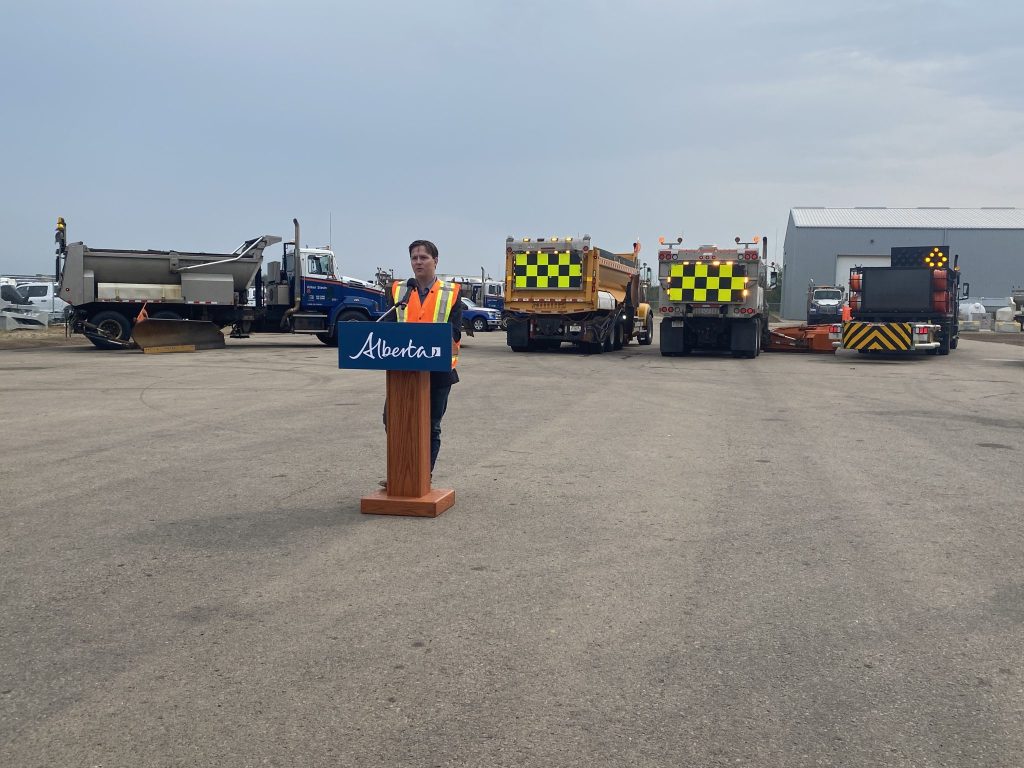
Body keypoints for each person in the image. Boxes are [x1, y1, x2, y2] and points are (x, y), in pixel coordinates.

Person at [382, 240, 463, 476]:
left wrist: (427, 339)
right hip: (403, 371)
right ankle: (402, 472)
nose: (418, 262)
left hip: (438, 371)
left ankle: (422, 475)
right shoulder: (399, 290)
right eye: (414, 258)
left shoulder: (452, 293)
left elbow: (455, 331)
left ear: (435, 261)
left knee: (431, 426)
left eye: (423, 257)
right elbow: (389, 325)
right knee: (393, 420)